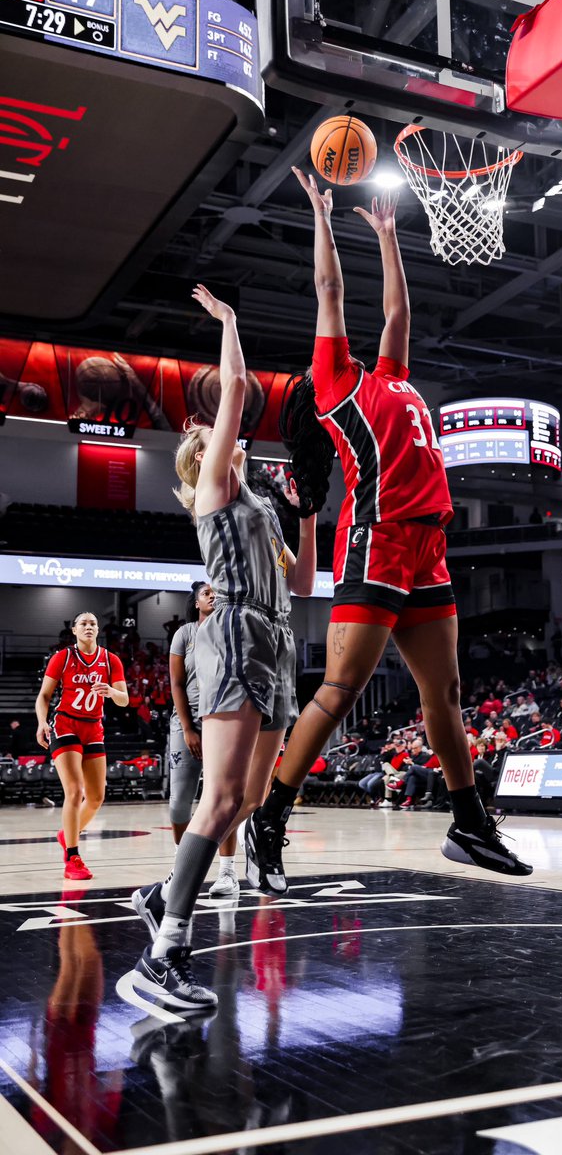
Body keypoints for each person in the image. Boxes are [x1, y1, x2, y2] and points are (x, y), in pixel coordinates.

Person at [238, 170, 531, 895]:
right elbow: (329, 293)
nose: (349, 342)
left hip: (427, 544)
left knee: (449, 691)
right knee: (339, 690)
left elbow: (398, 314)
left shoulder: (392, 377)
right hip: (376, 540)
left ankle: (467, 823)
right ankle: (267, 819)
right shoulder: (337, 383)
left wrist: (390, 238)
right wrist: (321, 215)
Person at [128, 284, 319, 1010]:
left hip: (274, 634)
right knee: (217, 800)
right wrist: (232, 323)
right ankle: (164, 952)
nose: (227, 433)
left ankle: (159, 892)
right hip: (235, 631)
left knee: (251, 797)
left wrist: (304, 516)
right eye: (212, 434)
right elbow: (235, 384)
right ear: (200, 460)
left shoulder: (262, 508)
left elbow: (300, 581)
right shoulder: (214, 491)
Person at [35, 612, 129, 880]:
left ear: (98, 630)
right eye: (83, 623)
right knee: (75, 791)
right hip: (65, 725)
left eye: (92, 624)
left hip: (93, 728)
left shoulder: (110, 660)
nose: (88, 627)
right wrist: (42, 722)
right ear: (74, 630)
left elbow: (124, 700)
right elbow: (44, 696)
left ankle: (67, 835)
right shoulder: (63, 657)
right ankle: (72, 857)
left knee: (97, 796)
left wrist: (111, 692)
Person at [167, 581, 242, 897]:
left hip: (223, 720)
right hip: (188, 723)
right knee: (178, 805)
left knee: (224, 799)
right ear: (195, 602)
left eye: (215, 591)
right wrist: (187, 727)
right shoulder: (184, 634)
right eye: (205, 593)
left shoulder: (231, 630)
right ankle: (182, 868)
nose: (212, 595)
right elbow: (176, 683)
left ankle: (227, 873)